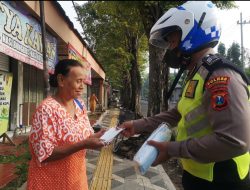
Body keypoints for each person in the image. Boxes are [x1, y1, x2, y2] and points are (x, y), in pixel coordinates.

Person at [119, 1, 250, 190]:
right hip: (197, 175)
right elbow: (177, 113)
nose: (171, 49)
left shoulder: (220, 75)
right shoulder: (198, 74)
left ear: (192, 32)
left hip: (222, 179)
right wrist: (138, 125)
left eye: (172, 41)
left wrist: (172, 149)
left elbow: (235, 141)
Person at [27, 59, 106, 190]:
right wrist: (84, 144)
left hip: (77, 180)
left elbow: (85, 135)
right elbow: (44, 154)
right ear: (61, 80)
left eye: (83, 82)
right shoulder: (46, 109)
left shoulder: (79, 104)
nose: (82, 86)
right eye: (78, 81)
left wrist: (98, 136)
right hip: (49, 183)